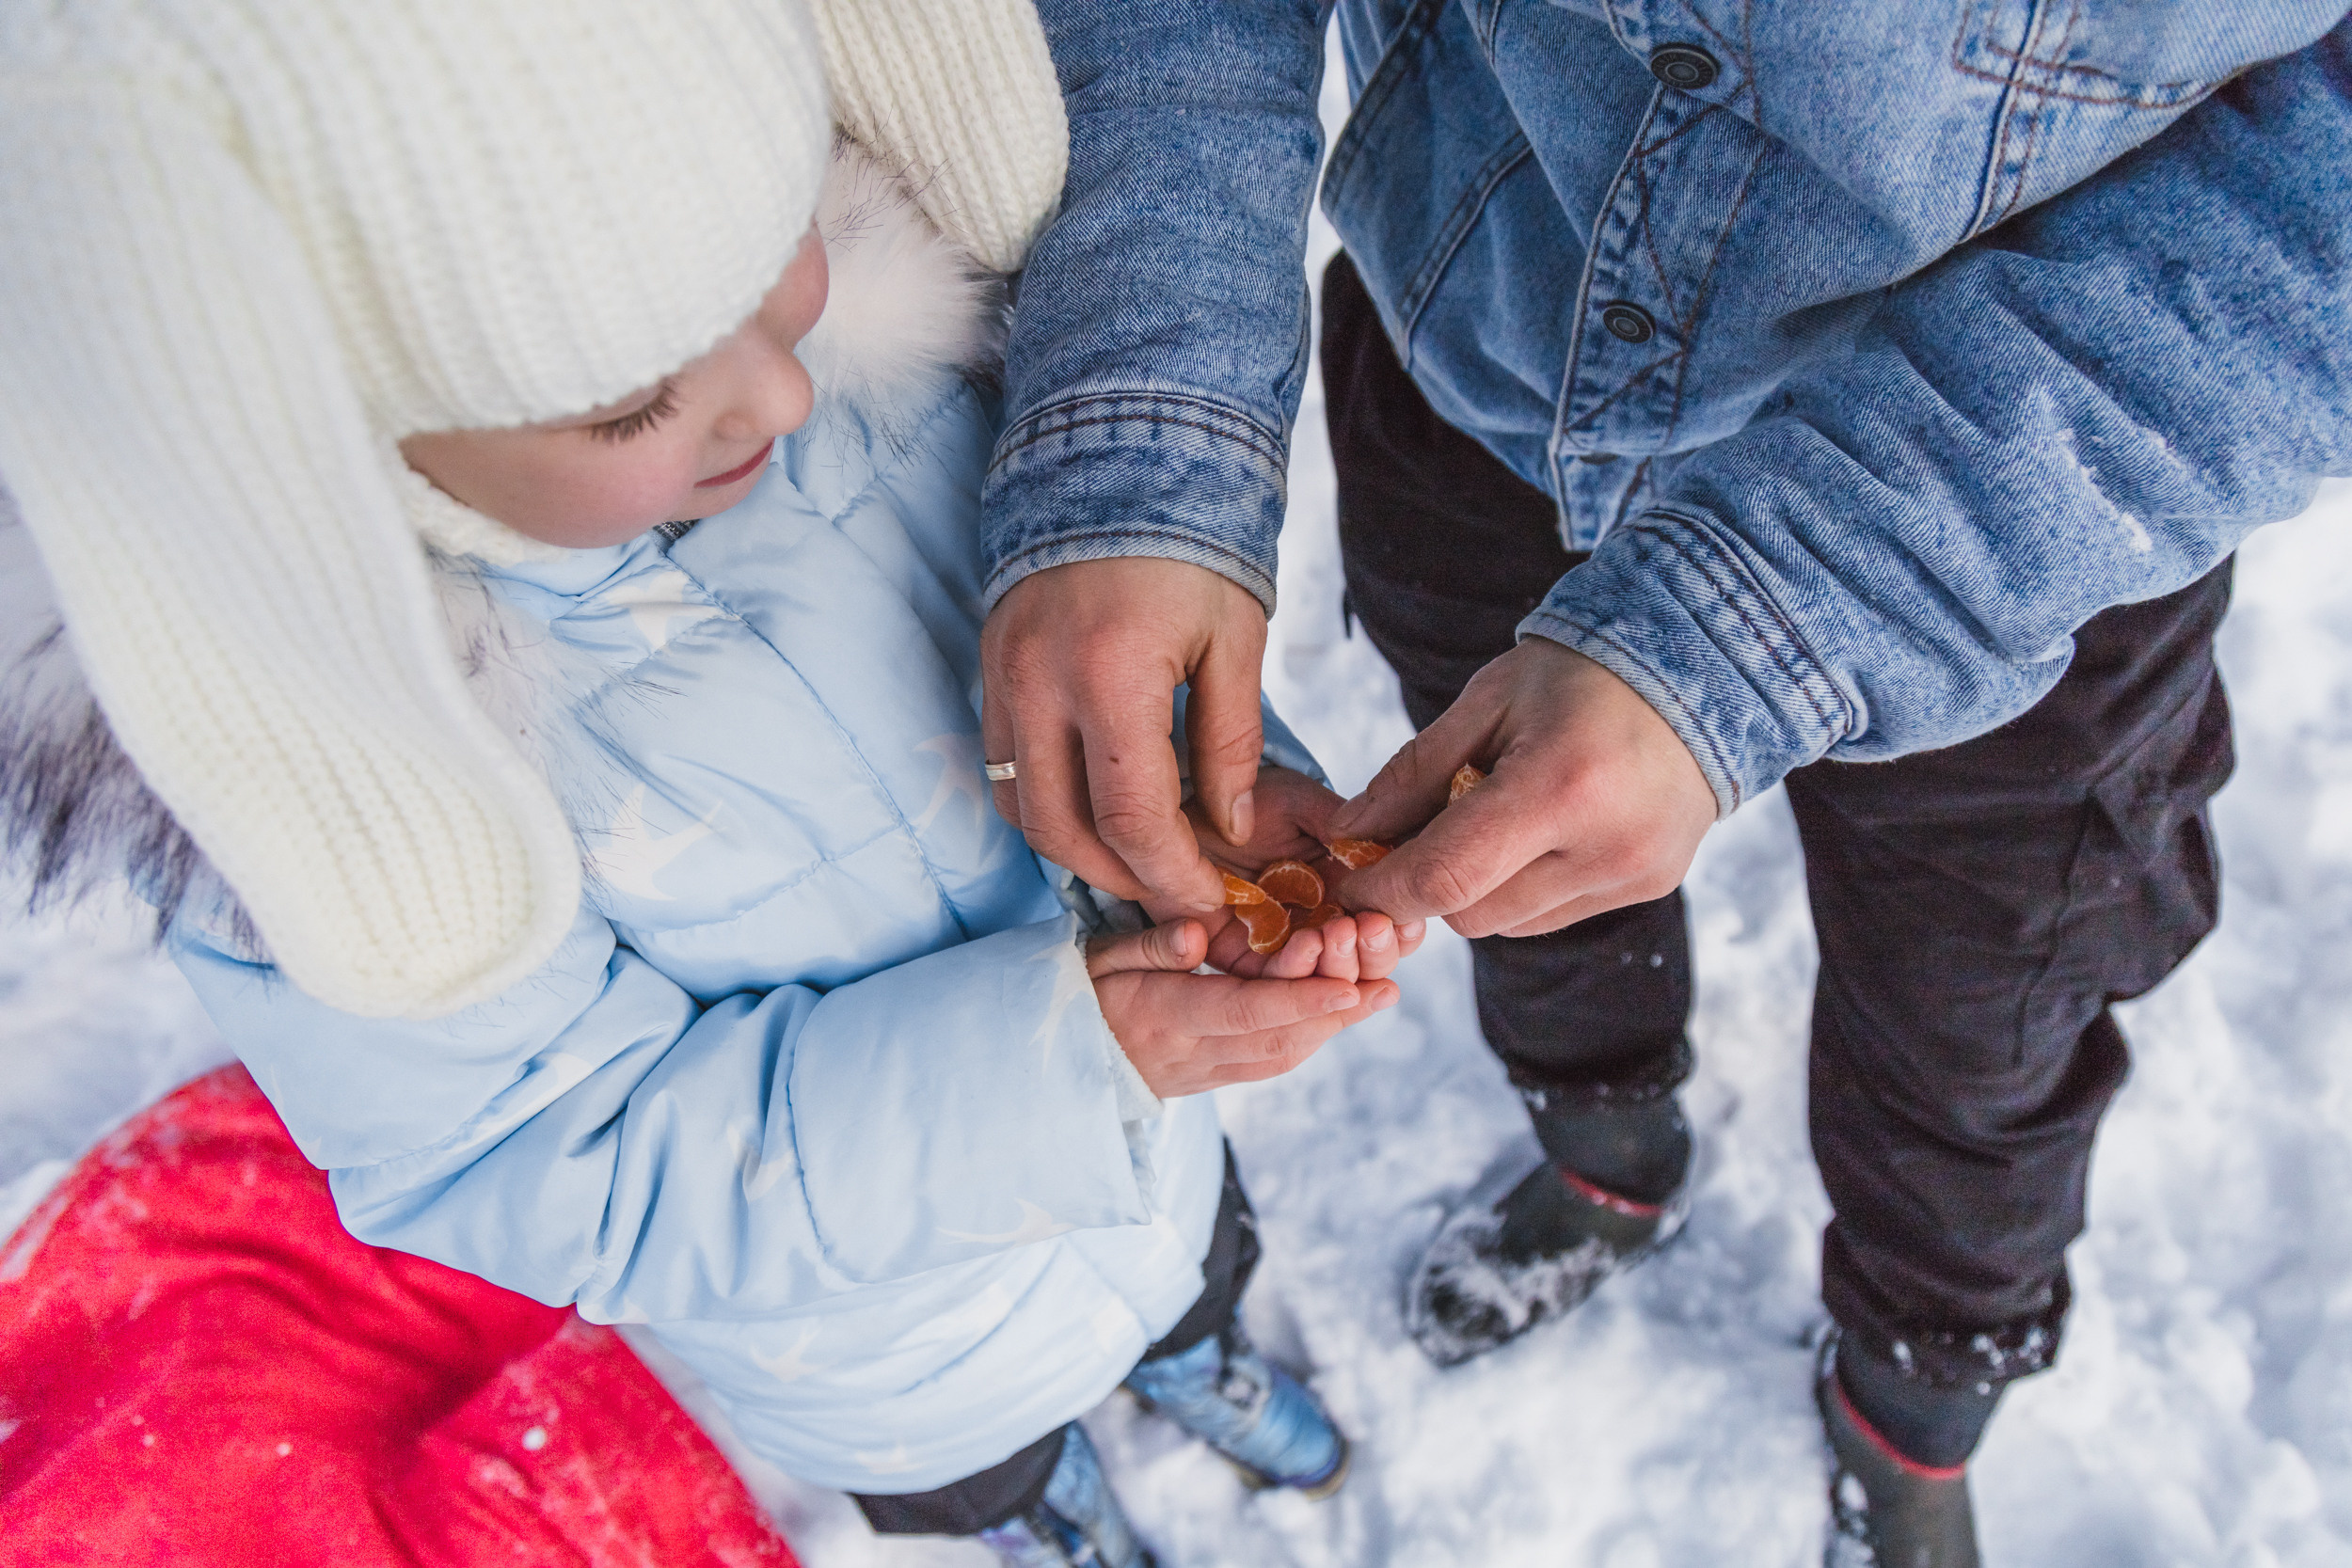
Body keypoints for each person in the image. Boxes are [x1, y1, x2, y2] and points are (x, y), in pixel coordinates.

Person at [0, 5, 1425, 1564]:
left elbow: (1066, 623)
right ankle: (1041, 1508)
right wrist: (1075, 1059)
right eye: (630, 402)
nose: (782, 393)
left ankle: (1193, 1355)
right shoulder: (337, 797)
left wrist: (1203, 791)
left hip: (1152, 1180)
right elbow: (562, 1160)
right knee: (981, 1469)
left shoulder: (872, 361)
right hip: (888, 1366)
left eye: (772, 263)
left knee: (1197, 1273)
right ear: (332, 449)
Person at [975, 4, 2352, 1563]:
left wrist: (1754, 631)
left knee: (1987, 1018)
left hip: (2041, 516)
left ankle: (1917, 1396)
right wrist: (1139, 422)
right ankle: (1608, 1144)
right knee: (1496, 872)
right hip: (1480, 365)